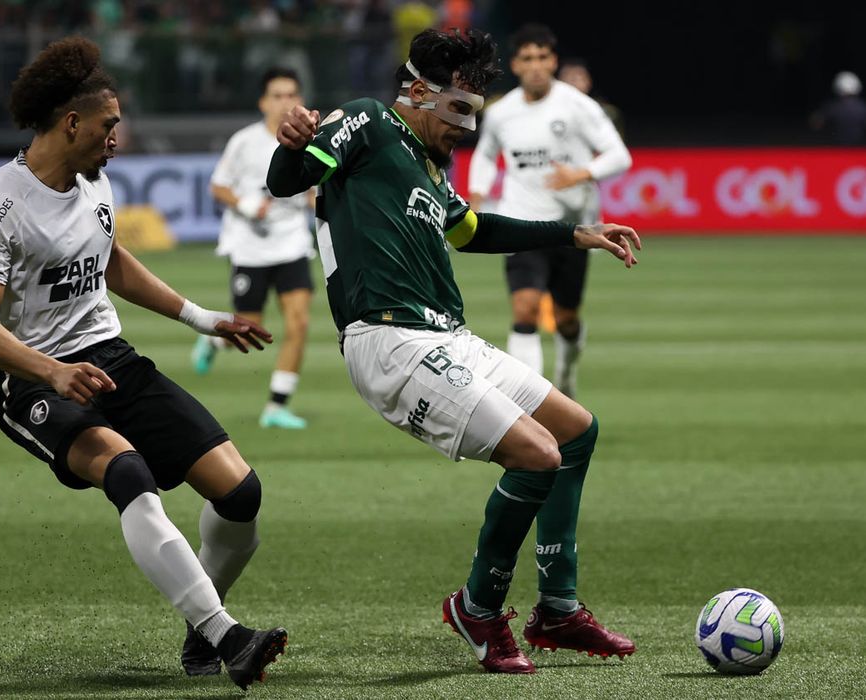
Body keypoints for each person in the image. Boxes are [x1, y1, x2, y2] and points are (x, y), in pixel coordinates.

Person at [267, 27, 639, 674]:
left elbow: (472, 232)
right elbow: (287, 180)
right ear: (418, 91)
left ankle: (556, 608)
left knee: (575, 430)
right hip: (388, 338)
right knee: (537, 455)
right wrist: (292, 140)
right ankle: (478, 607)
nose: (468, 126)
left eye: (476, 111)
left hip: (446, 336)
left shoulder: (428, 167)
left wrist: (574, 233)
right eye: (460, 108)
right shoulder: (367, 121)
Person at [0, 38, 286, 690]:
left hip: (113, 361)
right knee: (127, 472)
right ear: (71, 122)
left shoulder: (95, 183)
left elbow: (110, 261)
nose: (117, 139)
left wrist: (203, 318)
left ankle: (202, 626)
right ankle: (226, 635)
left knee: (240, 494)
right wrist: (50, 371)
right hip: (36, 383)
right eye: (108, 126)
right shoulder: (0, 201)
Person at [467, 24, 631, 399]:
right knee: (524, 310)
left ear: (553, 61)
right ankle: (531, 403)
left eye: (543, 57)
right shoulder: (501, 113)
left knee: (566, 320)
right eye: (528, 58)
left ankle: (567, 372)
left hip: (573, 230)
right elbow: (485, 155)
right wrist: (476, 198)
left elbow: (619, 155)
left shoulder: (578, 106)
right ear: (516, 65)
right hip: (520, 225)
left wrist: (582, 173)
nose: (536, 66)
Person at [193, 67, 315, 430]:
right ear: (263, 103)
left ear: (300, 100)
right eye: (277, 95)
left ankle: (276, 406)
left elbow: (313, 191)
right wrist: (246, 205)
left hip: (292, 243)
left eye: (291, 94)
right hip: (250, 248)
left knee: (299, 323)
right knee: (250, 330)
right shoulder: (244, 141)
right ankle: (214, 344)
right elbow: (218, 186)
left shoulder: (313, 142)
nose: (285, 102)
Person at [809, 71, 866, 146]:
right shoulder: (863, 107)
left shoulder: (831, 107)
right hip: (859, 151)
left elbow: (815, 125)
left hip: (836, 150)